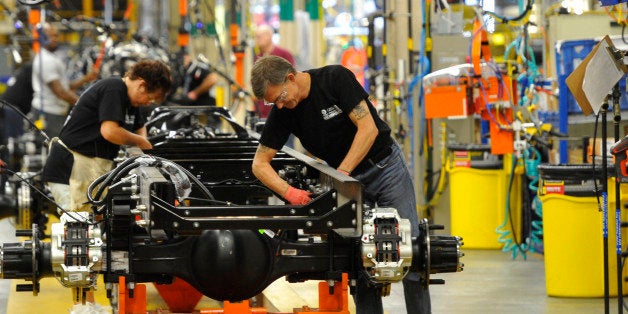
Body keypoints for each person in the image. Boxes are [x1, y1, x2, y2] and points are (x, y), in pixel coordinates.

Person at [250, 55, 430, 314]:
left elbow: (368, 129)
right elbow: (259, 164)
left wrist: (342, 174)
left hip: (385, 168)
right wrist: (290, 193)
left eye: (280, 97)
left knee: (409, 250)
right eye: (272, 102)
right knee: (360, 259)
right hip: (349, 185)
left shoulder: (335, 79)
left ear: (291, 77)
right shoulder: (284, 113)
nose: (279, 105)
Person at [42, 59, 172, 213]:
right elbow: (110, 131)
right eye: (150, 98)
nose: (147, 103)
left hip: (89, 166)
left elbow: (139, 126)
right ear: (142, 85)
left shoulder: (130, 100)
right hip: (73, 167)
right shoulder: (114, 88)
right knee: (79, 224)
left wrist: (143, 144)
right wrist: (141, 142)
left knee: (94, 221)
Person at [31, 22, 98, 138]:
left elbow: (65, 86)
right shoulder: (46, 60)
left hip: (55, 111)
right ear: (42, 38)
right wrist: (87, 105)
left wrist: (86, 79)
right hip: (49, 113)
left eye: (57, 35)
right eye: (52, 36)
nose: (56, 39)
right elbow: (61, 92)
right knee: (58, 149)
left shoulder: (51, 57)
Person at [253, 24, 295, 119]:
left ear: (269, 36)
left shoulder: (284, 55)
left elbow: (291, 79)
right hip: (263, 112)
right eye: (256, 36)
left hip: (282, 110)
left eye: (260, 36)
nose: (257, 39)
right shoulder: (258, 58)